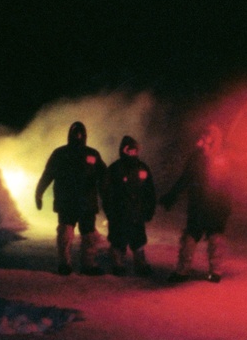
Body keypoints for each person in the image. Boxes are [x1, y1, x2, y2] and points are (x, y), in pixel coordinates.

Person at [160, 123, 232, 282]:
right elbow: (185, 178)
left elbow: (229, 183)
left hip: (216, 205)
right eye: (203, 134)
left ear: (215, 139)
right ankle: (182, 271)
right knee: (190, 237)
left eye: (207, 135)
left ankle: (216, 271)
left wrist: (227, 205)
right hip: (198, 204)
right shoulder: (196, 157)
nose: (203, 138)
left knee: (215, 239)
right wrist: (172, 196)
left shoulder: (222, 157)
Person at [34, 120, 106, 275]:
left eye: (81, 133)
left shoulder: (92, 154)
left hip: (87, 203)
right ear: (70, 135)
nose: (78, 136)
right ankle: (64, 264)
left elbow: (104, 176)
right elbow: (48, 174)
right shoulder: (60, 154)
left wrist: (109, 194)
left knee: (89, 235)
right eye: (75, 133)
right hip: (67, 202)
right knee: (65, 235)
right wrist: (38, 193)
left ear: (85, 135)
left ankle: (89, 264)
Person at [101, 135, 156, 277]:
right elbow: (106, 192)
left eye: (134, 150)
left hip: (137, 213)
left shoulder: (142, 168)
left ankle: (140, 264)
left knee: (138, 240)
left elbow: (150, 191)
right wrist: (109, 211)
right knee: (118, 240)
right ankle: (117, 263)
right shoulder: (115, 169)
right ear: (123, 150)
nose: (132, 153)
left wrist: (150, 209)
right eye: (129, 150)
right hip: (119, 213)